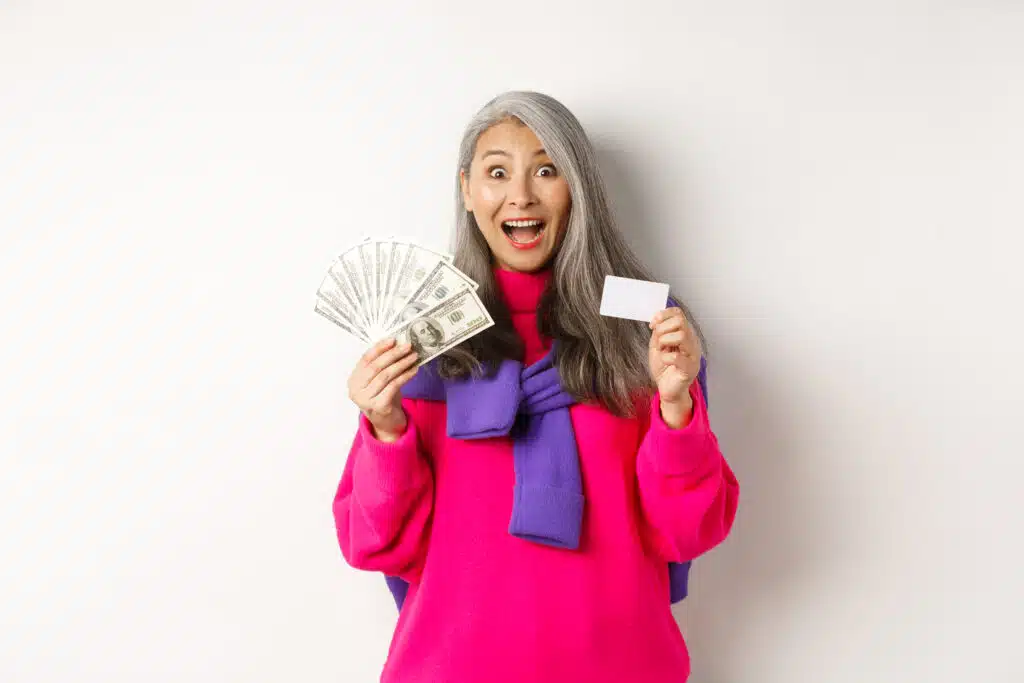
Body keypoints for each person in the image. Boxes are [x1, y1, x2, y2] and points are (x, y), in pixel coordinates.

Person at [333, 91, 739, 683]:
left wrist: (676, 406)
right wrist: (386, 430)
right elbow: (375, 547)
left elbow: (688, 532)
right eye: (498, 172)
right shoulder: (425, 344)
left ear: (578, 188)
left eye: (546, 170)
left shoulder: (645, 329)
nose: (520, 195)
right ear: (468, 189)